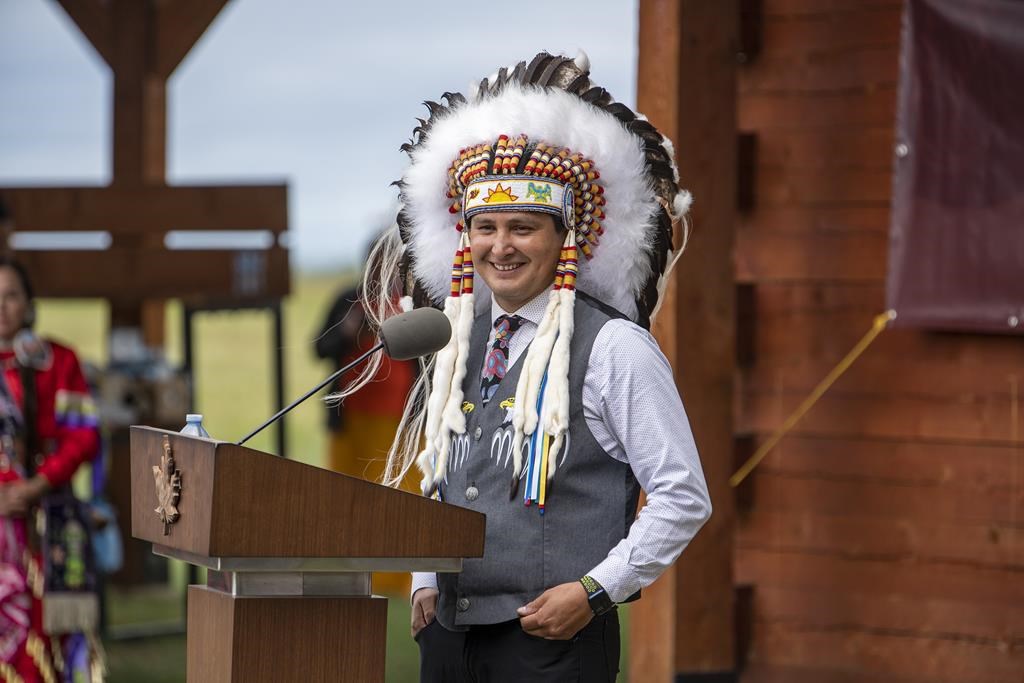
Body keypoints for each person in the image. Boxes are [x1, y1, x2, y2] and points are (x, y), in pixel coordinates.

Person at [364, 51, 713, 682]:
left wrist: (595, 591)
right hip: (450, 635)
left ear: (564, 238)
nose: (501, 246)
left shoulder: (615, 348)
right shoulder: (458, 340)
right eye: (486, 227)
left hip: (552, 643)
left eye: (523, 227)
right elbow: (443, 470)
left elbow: (682, 495)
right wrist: (422, 580)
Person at [0, 258, 103, 682]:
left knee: (44, 642)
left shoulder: (58, 361)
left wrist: (37, 485)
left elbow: (84, 436)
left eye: (10, 295)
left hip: (45, 527)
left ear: (28, 303)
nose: (2, 306)